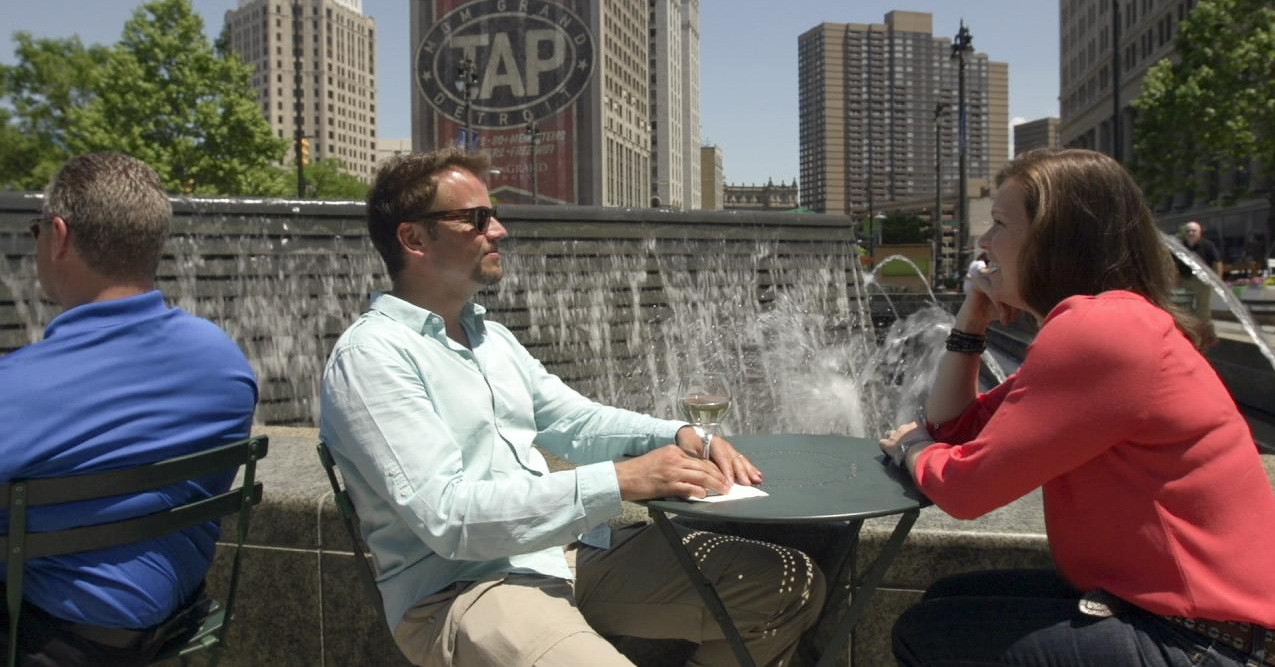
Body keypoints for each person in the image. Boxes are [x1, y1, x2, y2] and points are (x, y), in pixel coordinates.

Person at [319, 148, 825, 667]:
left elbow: (574, 421)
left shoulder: (489, 337)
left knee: (787, 584)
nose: (499, 230)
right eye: (477, 218)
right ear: (414, 238)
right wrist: (623, 480)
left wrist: (675, 435)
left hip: (559, 554)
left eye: (493, 215)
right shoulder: (373, 358)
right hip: (460, 590)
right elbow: (450, 518)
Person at [878, 149, 1275, 666]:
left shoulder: (1103, 333)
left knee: (929, 632)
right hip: (1187, 621)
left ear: (1055, 240)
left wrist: (912, 447)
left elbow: (965, 487)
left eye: (999, 224)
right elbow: (955, 428)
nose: (983, 243)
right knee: (945, 601)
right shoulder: (1109, 324)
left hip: (1207, 641)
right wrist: (971, 321)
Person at [0, 152, 258, 665]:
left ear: (59, 236)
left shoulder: (16, 389)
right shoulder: (225, 363)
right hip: (176, 623)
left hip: (45, 641)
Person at [1177, 220, 1225, 323]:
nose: (1191, 233)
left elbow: (1217, 262)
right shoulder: (1179, 246)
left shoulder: (1207, 245)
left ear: (1199, 232)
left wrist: (1218, 280)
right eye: (1188, 231)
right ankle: (1188, 328)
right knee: (1184, 306)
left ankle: (1204, 330)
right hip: (1185, 279)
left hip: (1202, 281)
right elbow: (1172, 263)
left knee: (1203, 308)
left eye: (1193, 231)